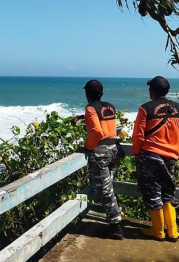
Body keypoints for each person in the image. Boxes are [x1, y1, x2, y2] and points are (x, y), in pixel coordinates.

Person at [132, 76, 179, 242]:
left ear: (151, 91)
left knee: (152, 192)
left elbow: (138, 135)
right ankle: (173, 232)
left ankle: (158, 231)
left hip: (150, 155)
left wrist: (137, 153)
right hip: (171, 157)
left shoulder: (145, 109)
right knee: (168, 191)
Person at [72, 79, 123, 240]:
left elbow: (97, 132)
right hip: (114, 150)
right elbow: (101, 119)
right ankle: (113, 219)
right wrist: (81, 117)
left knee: (105, 191)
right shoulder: (109, 106)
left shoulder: (90, 108)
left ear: (87, 94)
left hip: (100, 152)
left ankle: (116, 228)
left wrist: (87, 147)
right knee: (104, 186)